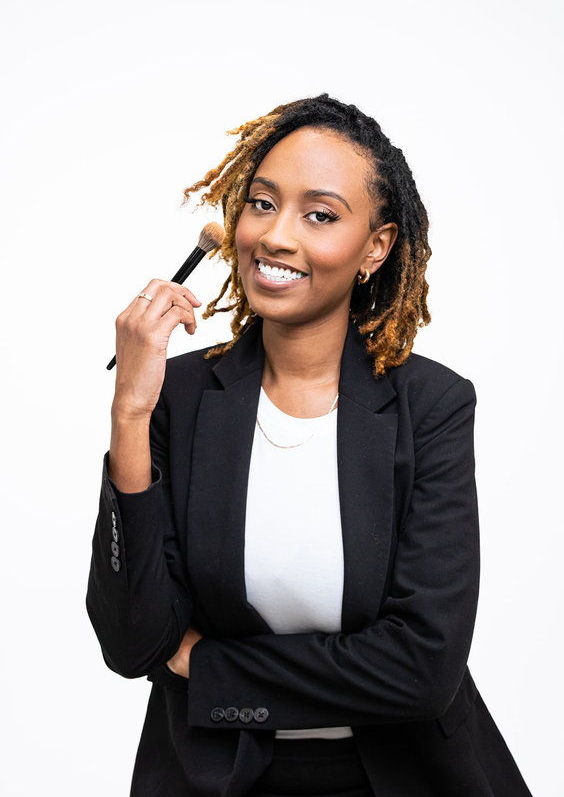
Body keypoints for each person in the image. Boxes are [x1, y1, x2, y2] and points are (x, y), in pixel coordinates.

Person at [87, 94, 533, 797]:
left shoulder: (432, 406)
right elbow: (133, 642)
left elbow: (421, 669)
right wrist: (129, 414)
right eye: (262, 204)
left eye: (319, 214)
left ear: (375, 246)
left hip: (405, 776)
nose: (276, 236)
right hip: (216, 774)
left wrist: (210, 669)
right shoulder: (175, 395)